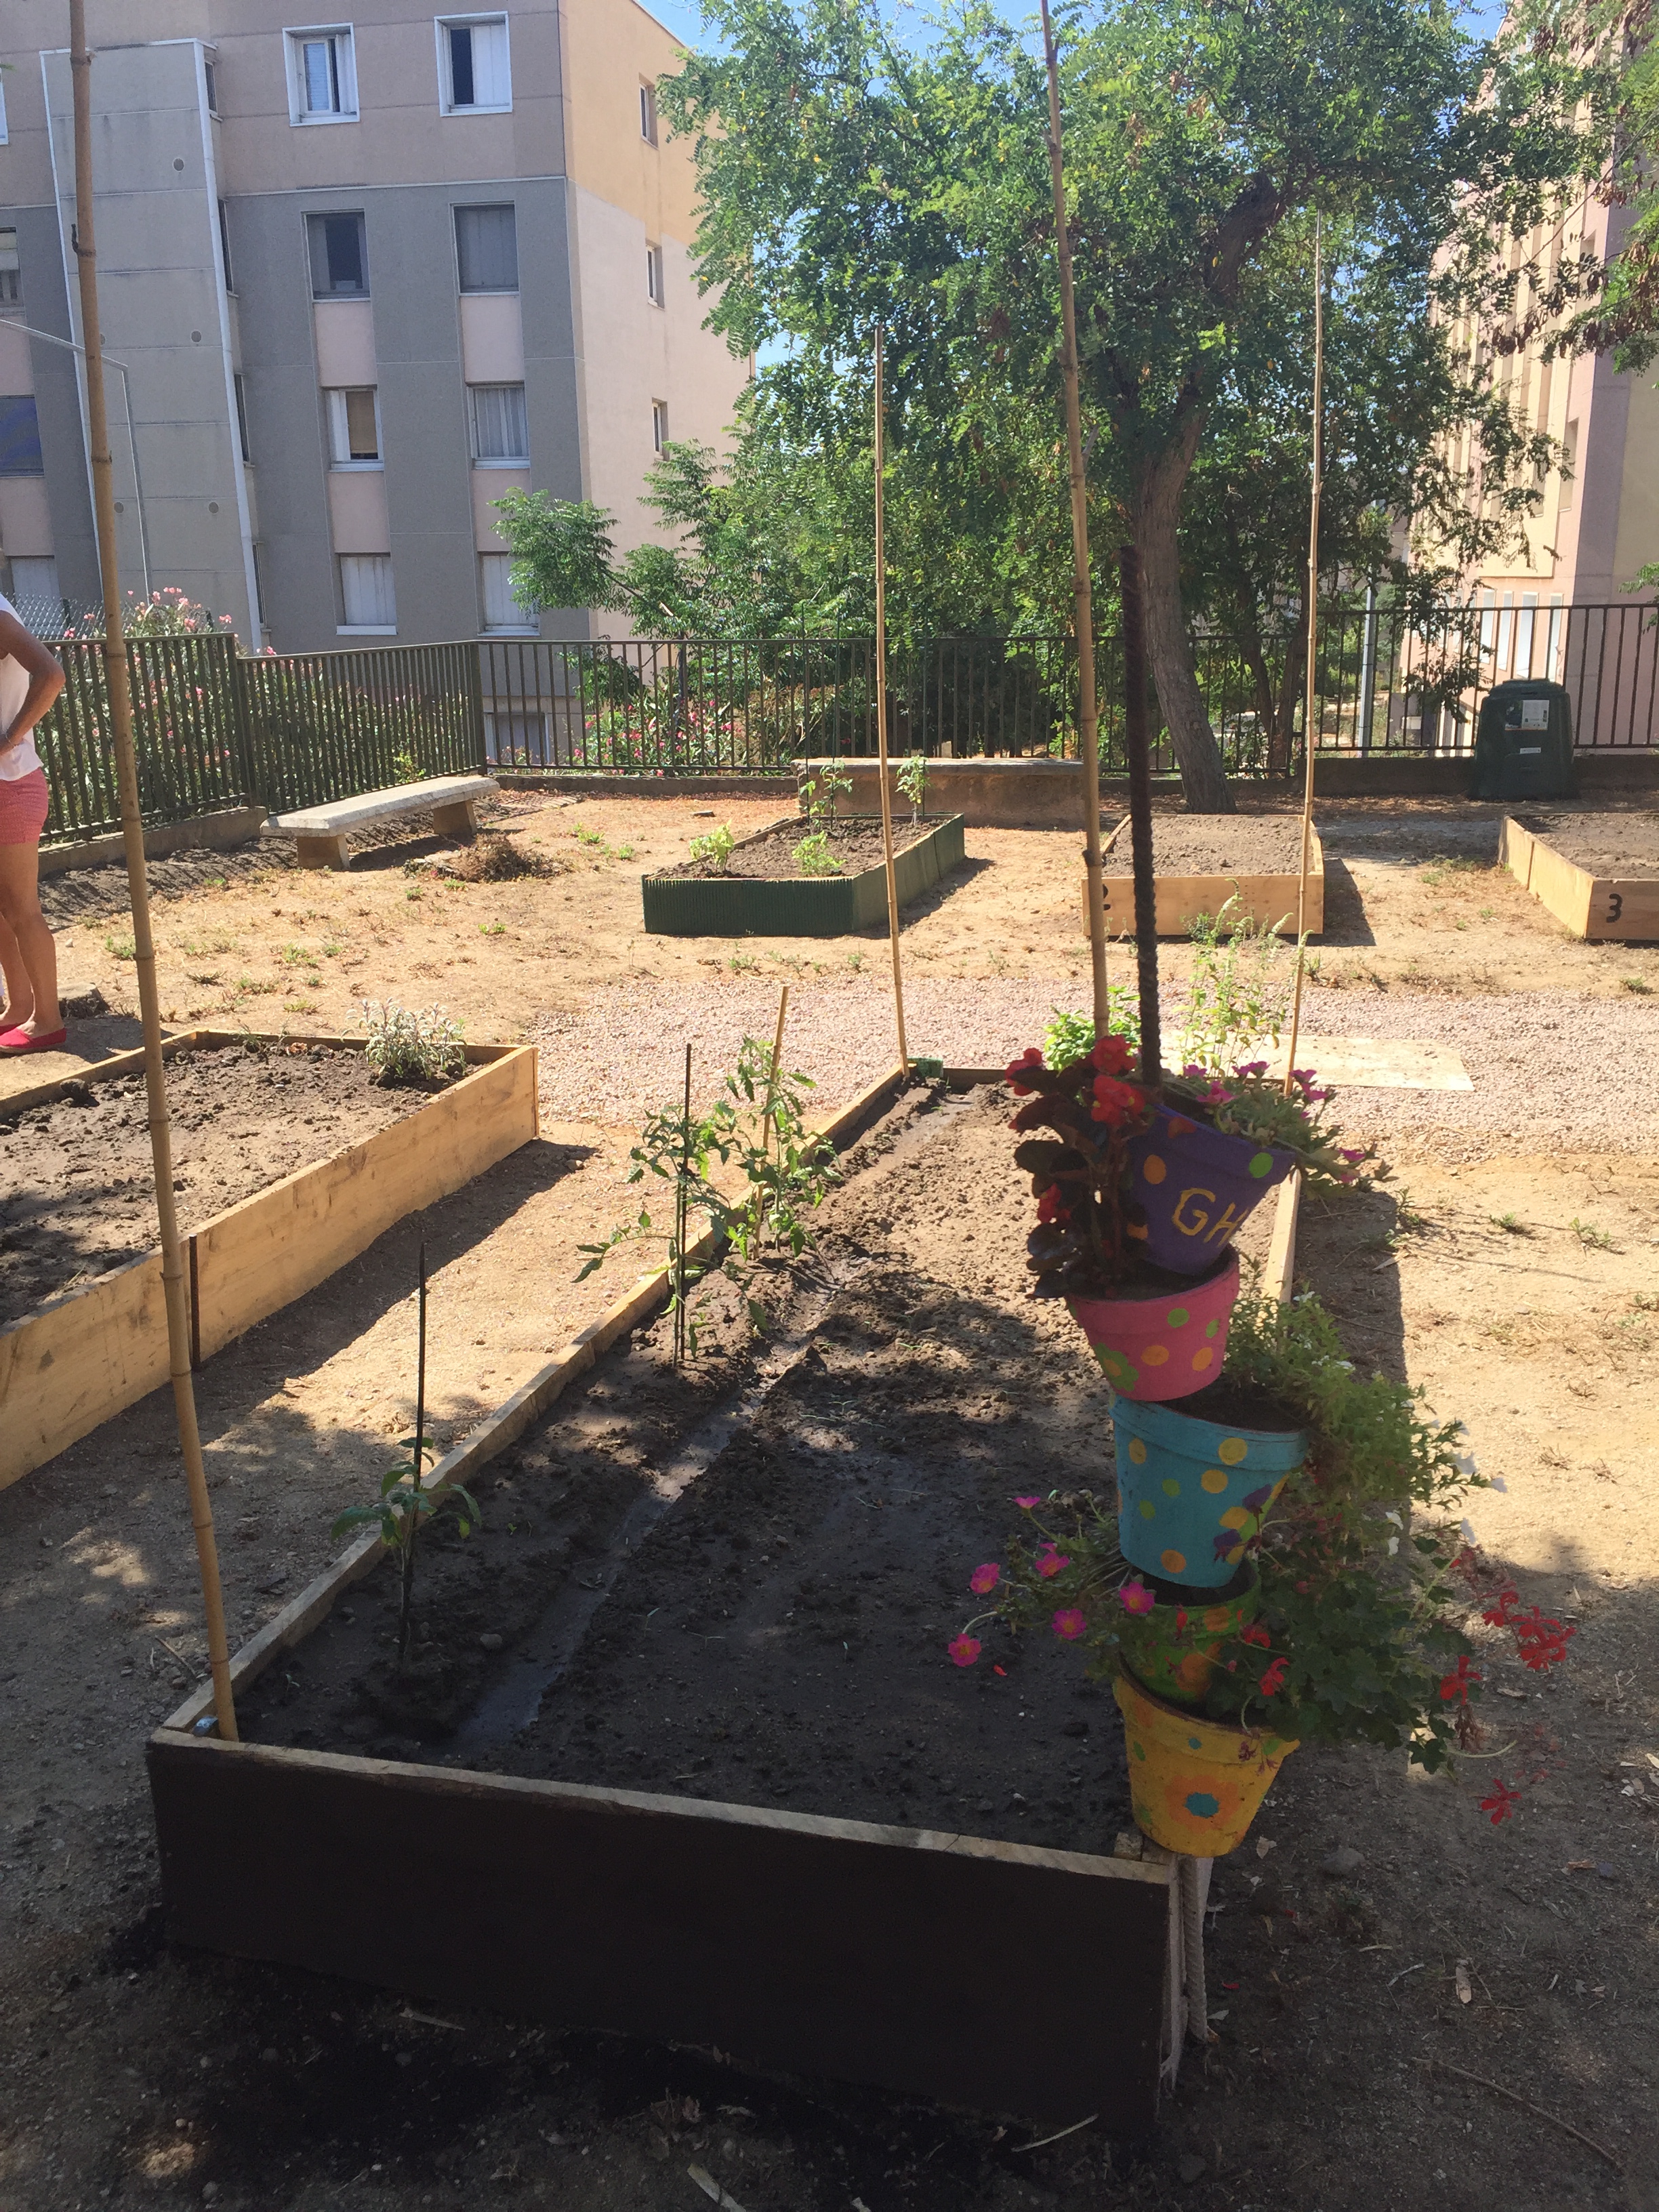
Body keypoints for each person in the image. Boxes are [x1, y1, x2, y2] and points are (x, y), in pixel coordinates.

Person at [0, 594, 67, 1054]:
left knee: (23, 908)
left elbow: (52, 675)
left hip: (11, 783)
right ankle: (20, 1005)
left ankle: (49, 1020)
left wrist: (9, 738)